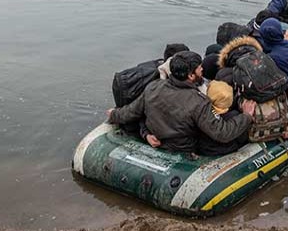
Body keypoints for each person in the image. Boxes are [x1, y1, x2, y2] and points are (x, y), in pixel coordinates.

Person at [107, 51, 256, 155]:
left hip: (158, 139)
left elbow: (130, 112)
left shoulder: (153, 86)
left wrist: (114, 114)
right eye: (199, 68)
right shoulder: (198, 102)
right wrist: (246, 116)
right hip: (182, 148)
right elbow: (222, 132)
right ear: (191, 75)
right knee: (233, 119)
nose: (202, 70)